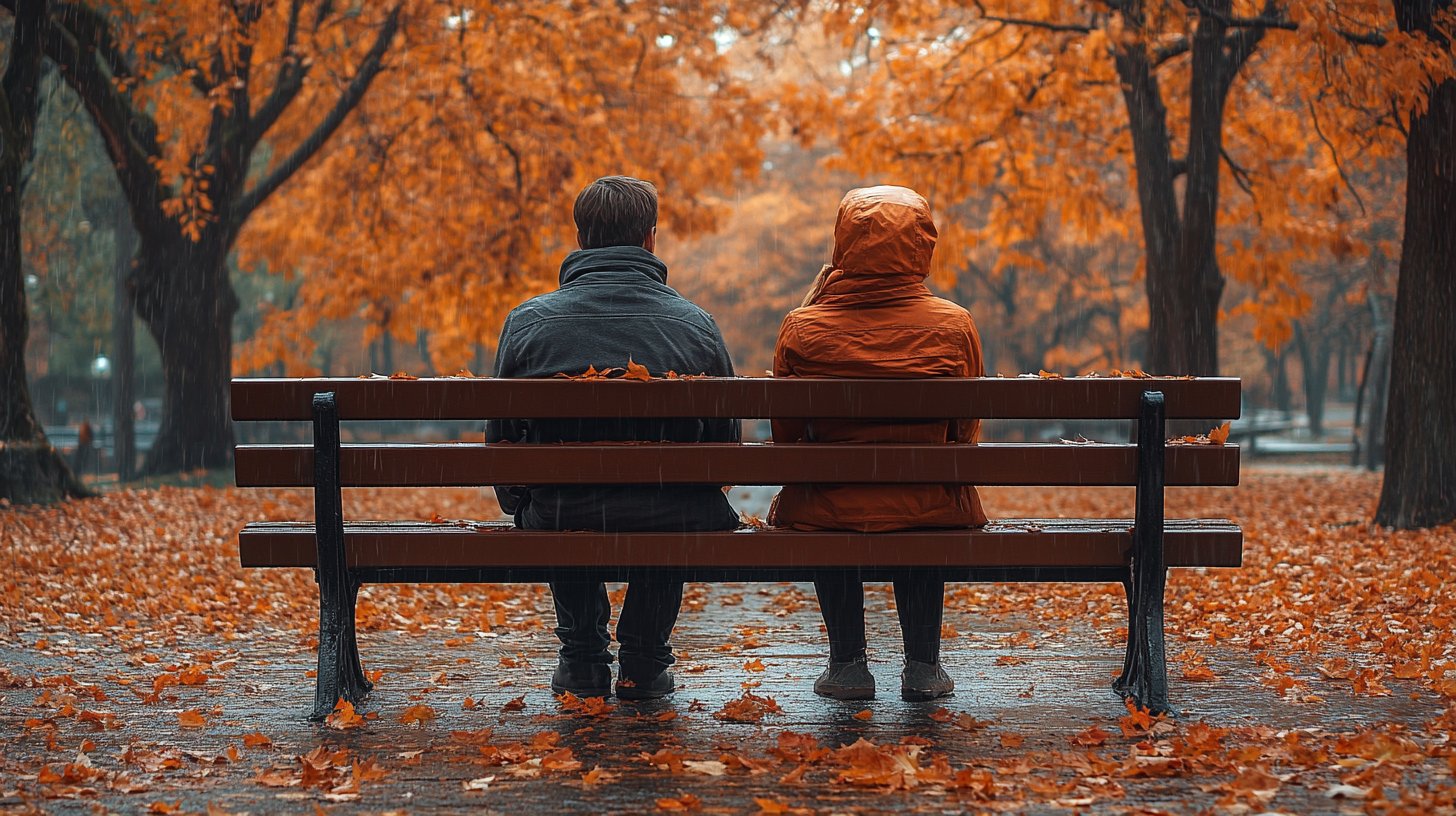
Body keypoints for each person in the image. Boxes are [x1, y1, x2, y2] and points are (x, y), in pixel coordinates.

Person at [487, 176, 740, 700]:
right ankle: (644, 659)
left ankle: (582, 658)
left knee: (560, 502)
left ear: (580, 238)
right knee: (675, 505)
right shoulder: (695, 325)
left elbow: (502, 438)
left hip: (563, 509)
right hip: (672, 512)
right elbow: (725, 447)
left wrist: (520, 499)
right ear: (650, 238)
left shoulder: (528, 322)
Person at [768, 185, 987, 702]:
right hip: (929, 505)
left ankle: (847, 663)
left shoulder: (802, 327)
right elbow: (965, 432)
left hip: (829, 506)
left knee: (828, 498)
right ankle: (923, 666)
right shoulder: (955, 326)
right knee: (922, 498)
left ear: (842, 245)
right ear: (922, 246)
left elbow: (786, 438)